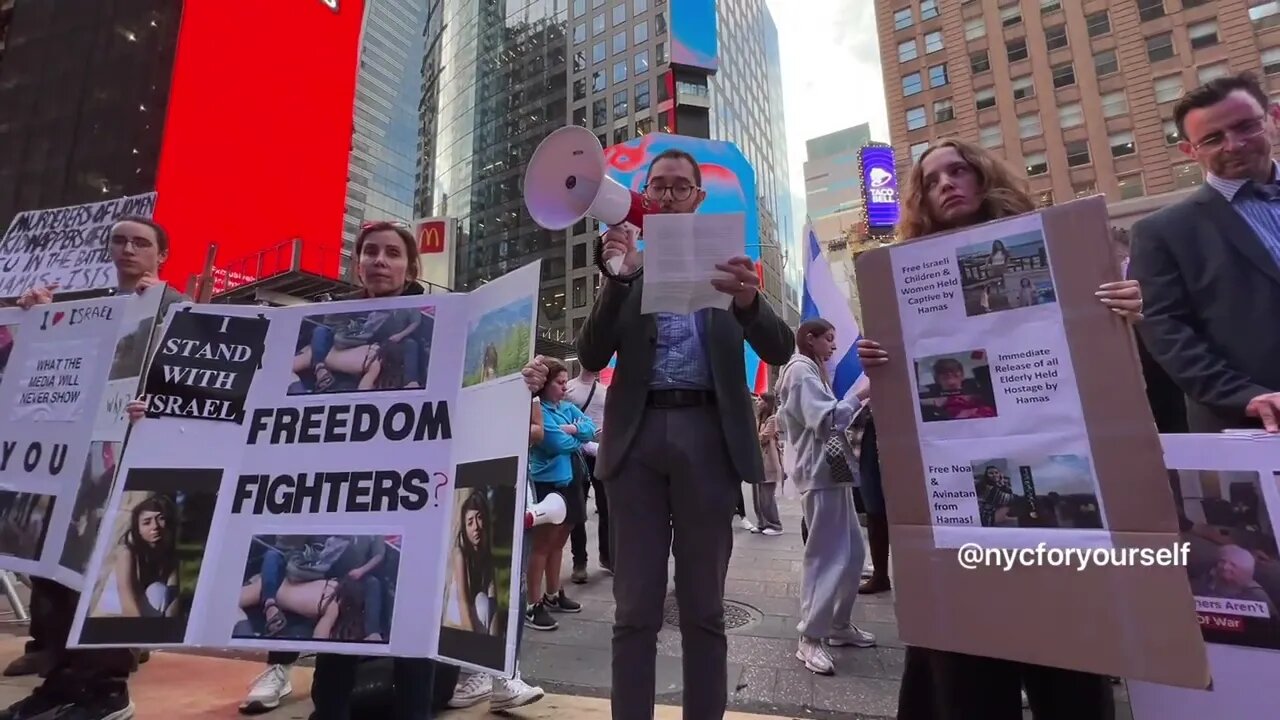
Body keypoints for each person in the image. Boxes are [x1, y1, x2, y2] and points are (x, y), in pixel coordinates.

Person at [854, 138, 1143, 720]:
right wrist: (880, 362)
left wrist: (1127, 313)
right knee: (966, 678)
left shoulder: (1060, 253)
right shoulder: (907, 280)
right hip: (958, 516)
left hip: (1062, 515)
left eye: (957, 170)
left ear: (984, 177)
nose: (946, 184)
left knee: (1071, 674)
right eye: (931, 180)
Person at [577, 147, 795, 720]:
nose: (669, 195)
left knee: (704, 608)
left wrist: (749, 301)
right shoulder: (627, 266)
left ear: (699, 198)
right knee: (634, 609)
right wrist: (616, 281)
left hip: (708, 436)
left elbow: (781, 348)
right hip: (637, 439)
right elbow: (590, 353)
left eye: (680, 187)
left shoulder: (730, 266)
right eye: (659, 188)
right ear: (646, 199)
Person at [1, 215, 188, 720]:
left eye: (141, 243)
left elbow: (200, 384)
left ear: (160, 254)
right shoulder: (90, 309)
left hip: (134, 464)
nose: (128, 249)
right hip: (73, 467)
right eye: (120, 241)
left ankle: (107, 691)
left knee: (107, 579)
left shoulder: (178, 309)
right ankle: (62, 683)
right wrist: (33, 318)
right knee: (56, 573)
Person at [1129, 72, 1280, 434]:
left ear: (1274, 119)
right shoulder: (1160, 233)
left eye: (1246, 126)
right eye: (1213, 138)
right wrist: (1245, 397)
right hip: (1255, 428)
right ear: (1189, 150)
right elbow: (1168, 332)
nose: (1234, 144)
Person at [778, 319, 876, 675]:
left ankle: (837, 625)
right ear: (810, 339)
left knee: (852, 553)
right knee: (827, 554)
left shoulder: (811, 371)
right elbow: (828, 420)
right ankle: (810, 637)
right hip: (819, 472)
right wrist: (861, 393)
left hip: (831, 469)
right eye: (829, 339)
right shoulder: (801, 372)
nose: (835, 346)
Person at [447, 385, 548, 712]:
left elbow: (537, 431)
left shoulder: (523, 382)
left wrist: (500, 423)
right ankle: (476, 673)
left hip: (508, 483)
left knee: (508, 587)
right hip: (466, 478)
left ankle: (503, 673)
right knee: (474, 589)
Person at [525, 358, 595, 631]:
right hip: (546, 483)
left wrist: (575, 430)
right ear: (544, 385)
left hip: (570, 480)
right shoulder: (537, 410)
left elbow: (590, 428)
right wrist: (577, 434)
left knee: (558, 543)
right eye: (560, 383)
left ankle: (554, 593)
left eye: (567, 382)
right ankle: (533, 602)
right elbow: (555, 442)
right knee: (542, 546)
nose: (565, 388)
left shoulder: (566, 408)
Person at [565, 365, 610, 582]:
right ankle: (579, 561)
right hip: (577, 452)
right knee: (578, 509)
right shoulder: (568, 389)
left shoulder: (605, 391)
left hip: (600, 453)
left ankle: (607, 555)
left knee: (606, 507)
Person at [752, 392, 784, 535]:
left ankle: (775, 525)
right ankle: (762, 523)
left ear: (767, 403)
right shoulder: (758, 419)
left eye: (760, 400)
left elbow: (763, 437)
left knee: (767, 496)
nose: (758, 402)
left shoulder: (772, 419)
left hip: (769, 461)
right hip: (757, 461)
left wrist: (752, 436)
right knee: (757, 496)